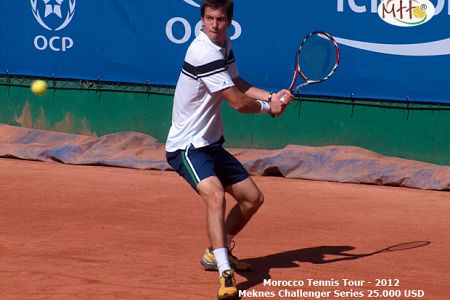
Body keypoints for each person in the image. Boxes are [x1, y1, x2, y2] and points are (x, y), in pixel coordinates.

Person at [165, 0, 294, 299]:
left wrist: (273, 96)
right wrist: (269, 108)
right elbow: (236, 101)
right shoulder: (203, 51)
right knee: (216, 195)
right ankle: (224, 272)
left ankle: (215, 251)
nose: (214, 25)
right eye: (208, 18)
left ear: (229, 21)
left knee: (252, 199)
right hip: (187, 146)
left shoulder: (224, 44)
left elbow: (236, 81)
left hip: (210, 144)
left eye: (220, 19)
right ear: (202, 19)